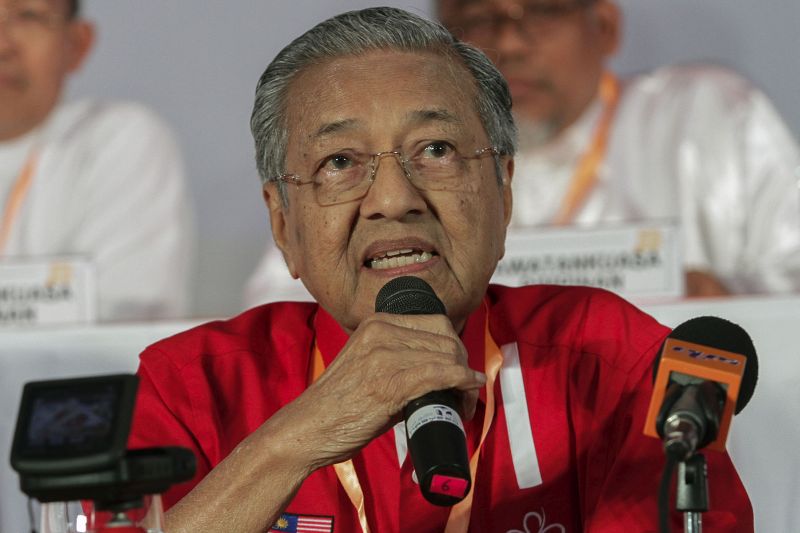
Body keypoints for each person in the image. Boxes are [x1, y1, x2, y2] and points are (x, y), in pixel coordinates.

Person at [129, 7, 752, 532]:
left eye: (436, 150)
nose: (393, 198)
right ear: (284, 224)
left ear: (503, 192)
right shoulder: (188, 388)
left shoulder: (612, 360)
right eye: (340, 161)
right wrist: (298, 438)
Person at [435, 0, 800, 297]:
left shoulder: (704, 115)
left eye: (544, 11)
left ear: (606, 28)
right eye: (478, 18)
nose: (510, 44)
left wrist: (726, 296)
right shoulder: (420, 159)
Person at [0, 0, 194, 321]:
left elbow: (120, 330)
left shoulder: (118, 142)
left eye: (28, 16)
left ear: (76, 44)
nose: (3, 45)